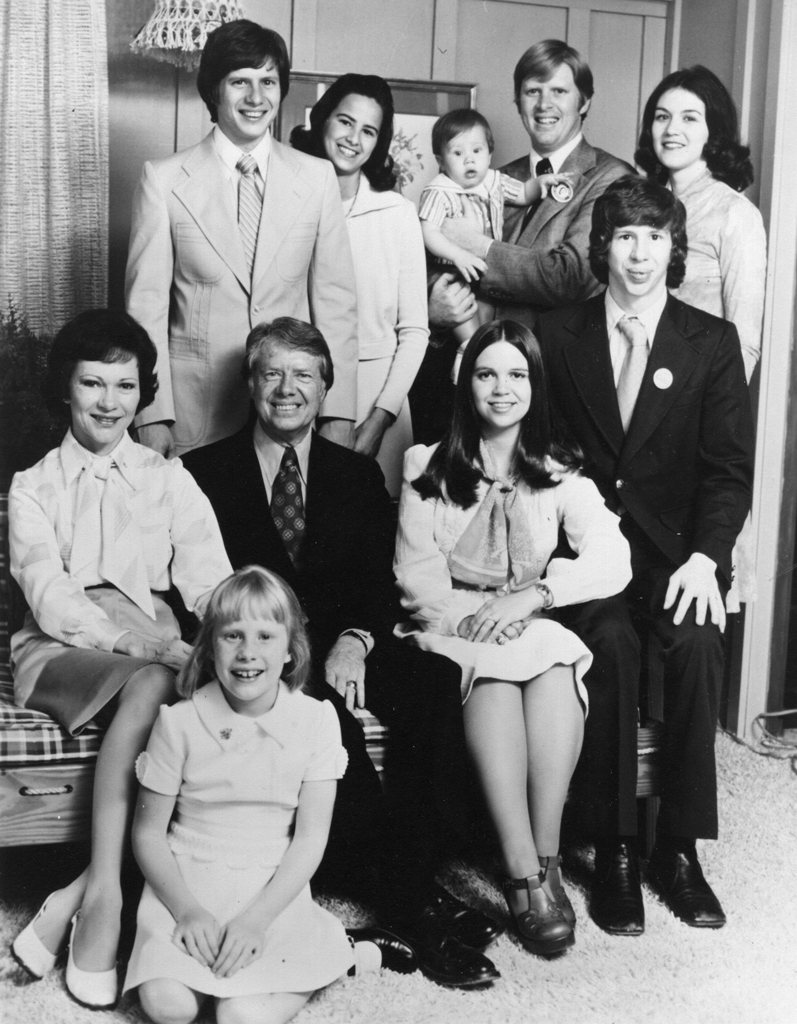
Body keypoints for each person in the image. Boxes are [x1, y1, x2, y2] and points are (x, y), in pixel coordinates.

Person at [183, 317, 503, 989]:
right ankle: (413, 906)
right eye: (272, 373)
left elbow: (377, 588)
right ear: (250, 383)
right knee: (327, 721)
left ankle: (416, 873)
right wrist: (287, 656)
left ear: (326, 387)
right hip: (262, 655)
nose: (287, 389)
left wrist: (356, 644)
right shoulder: (200, 474)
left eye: (304, 375)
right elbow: (204, 593)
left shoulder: (356, 475)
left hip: (344, 640)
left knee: (434, 681)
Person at [537, 176, 755, 936]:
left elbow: (727, 469)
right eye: (624, 237)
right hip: (588, 551)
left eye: (653, 237)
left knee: (696, 644)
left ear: (673, 248)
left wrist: (706, 559)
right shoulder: (557, 335)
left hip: (676, 557)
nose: (638, 253)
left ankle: (679, 850)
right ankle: (617, 848)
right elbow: (541, 454)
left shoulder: (709, 341)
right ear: (602, 246)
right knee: (611, 647)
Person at [9, 310, 233, 1010]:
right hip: (60, 652)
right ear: (65, 391)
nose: (110, 402)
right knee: (162, 679)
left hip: (155, 650)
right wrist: (131, 640)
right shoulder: (32, 485)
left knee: (175, 682)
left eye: (126, 386)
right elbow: (49, 595)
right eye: (93, 383)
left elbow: (209, 579)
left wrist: (237, 636)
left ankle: (83, 891)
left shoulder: (169, 478)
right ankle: (105, 896)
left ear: (144, 393)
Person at [394, 319, 632, 955]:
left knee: (555, 662)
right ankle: (520, 868)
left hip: (524, 616)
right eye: (486, 373)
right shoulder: (427, 463)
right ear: (466, 382)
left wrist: (538, 595)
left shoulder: (557, 470)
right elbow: (415, 576)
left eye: (517, 374)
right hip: (452, 624)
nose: (502, 389)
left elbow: (615, 558)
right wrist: (472, 621)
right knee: (495, 674)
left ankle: (546, 861)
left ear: (535, 385)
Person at [124, 566, 416, 1024]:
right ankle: (320, 953)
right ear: (208, 647)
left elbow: (310, 838)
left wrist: (255, 921)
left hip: (270, 889)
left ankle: (344, 953)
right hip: (186, 882)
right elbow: (147, 835)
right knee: (169, 1008)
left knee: (241, 1016)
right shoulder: (178, 722)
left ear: (290, 651)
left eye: (264, 637)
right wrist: (187, 912)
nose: (247, 652)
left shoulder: (316, 720)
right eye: (232, 636)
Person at [125, 20, 358, 458]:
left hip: (291, 415)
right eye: (240, 82)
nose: (256, 98)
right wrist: (152, 416)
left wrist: (339, 415)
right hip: (197, 418)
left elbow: (337, 306)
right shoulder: (164, 180)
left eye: (268, 81)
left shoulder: (317, 177)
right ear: (214, 90)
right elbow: (146, 313)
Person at [429, 39, 634, 334]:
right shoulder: (495, 177)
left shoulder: (613, 178)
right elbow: (437, 253)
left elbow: (570, 278)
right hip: (480, 363)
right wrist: (434, 297)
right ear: (518, 101)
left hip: (554, 367)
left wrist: (477, 246)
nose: (543, 105)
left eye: (559, 91)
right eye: (532, 91)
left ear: (584, 101)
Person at [290, 74, 428, 496]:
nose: (353, 139)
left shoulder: (397, 214)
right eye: (345, 122)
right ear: (322, 120)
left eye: (368, 130)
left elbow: (414, 331)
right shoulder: (287, 199)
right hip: (294, 390)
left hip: (377, 399)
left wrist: (379, 419)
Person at [635, 64, 766, 384]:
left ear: (714, 131)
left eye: (689, 118)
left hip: (691, 397)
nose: (671, 130)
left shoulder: (735, 214)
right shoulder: (638, 208)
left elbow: (744, 342)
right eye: (662, 116)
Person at [418, 109, 572, 378]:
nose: (469, 159)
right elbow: (428, 232)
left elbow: (523, 193)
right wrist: (458, 256)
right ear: (440, 161)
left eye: (477, 151)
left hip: (486, 268)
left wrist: (541, 183)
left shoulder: (494, 181)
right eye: (457, 153)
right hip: (454, 268)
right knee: (462, 306)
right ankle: (466, 350)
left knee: (486, 314)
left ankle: (479, 353)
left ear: (489, 154)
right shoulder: (438, 190)